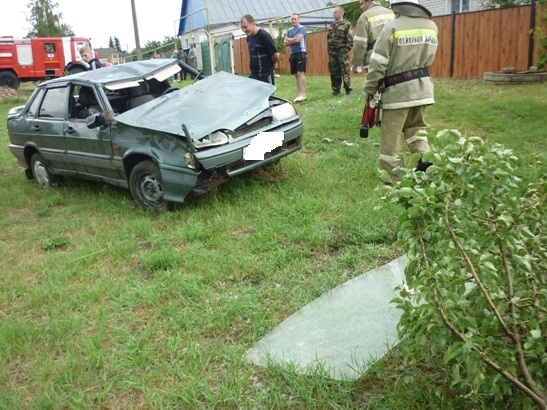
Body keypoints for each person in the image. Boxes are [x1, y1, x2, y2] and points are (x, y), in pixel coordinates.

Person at [362, 0, 438, 184]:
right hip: (423, 89)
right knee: (416, 130)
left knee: (391, 136)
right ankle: (428, 167)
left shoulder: (392, 28)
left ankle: (394, 178)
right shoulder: (432, 26)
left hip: (398, 92)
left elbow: (378, 64)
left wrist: (370, 88)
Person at [351, 0, 395, 74]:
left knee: (374, 85)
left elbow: (360, 44)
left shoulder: (364, 17)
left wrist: (356, 63)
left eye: (362, 4)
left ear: (369, 1)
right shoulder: (392, 13)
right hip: (393, 59)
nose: (360, 7)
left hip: (374, 61)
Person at [240, 14, 279, 84]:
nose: (243, 30)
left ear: (253, 24)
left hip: (265, 75)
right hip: (254, 75)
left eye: (245, 27)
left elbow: (276, 55)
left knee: (268, 95)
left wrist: (268, 66)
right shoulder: (249, 37)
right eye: (242, 28)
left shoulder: (264, 36)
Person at [327, 6, 353, 96]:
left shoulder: (347, 24)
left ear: (341, 13)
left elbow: (350, 39)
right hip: (332, 52)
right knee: (334, 71)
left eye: (335, 12)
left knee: (344, 70)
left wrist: (346, 50)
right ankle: (335, 90)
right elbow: (329, 38)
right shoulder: (332, 25)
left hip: (342, 51)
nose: (333, 14)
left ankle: (348, 89)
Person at [284, 14, 307, 102]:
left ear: (299, 20)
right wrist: (293, 39)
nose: (293, 21)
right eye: (292, 19)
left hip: (301, 52)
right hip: (292, 53)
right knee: (296, 75)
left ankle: (303, 94)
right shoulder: (289, 30)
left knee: (300, 73)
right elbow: (285, 43)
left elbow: (298, 40)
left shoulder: (302, 28)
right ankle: (299, 94)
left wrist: (290, 40)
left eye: (295, 19)